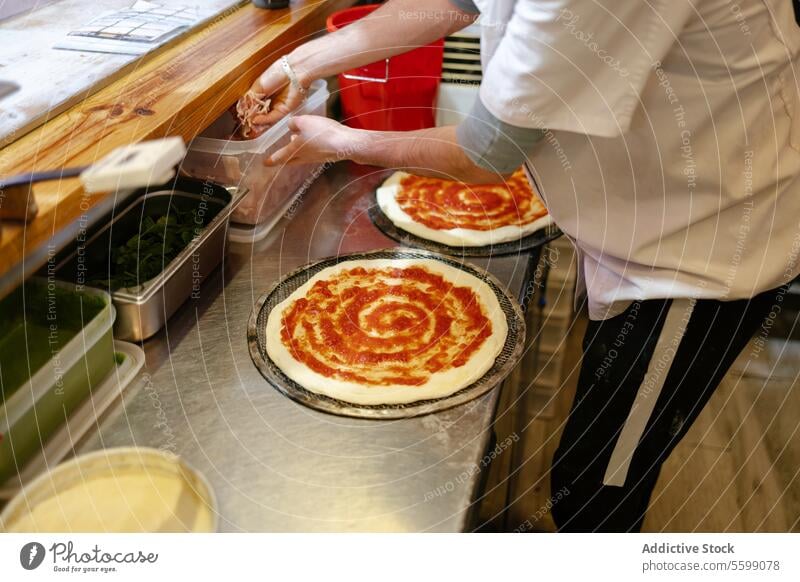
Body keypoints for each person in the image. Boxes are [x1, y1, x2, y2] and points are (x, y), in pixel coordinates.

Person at [241, 0, 800, 531]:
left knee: (596, 489)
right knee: (594, 455)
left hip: (699, 253)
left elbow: (487, 151)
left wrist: (345, 140)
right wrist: (298, 66)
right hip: (642, 205)